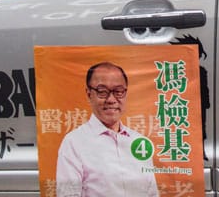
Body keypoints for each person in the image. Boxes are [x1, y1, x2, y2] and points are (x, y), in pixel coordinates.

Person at [55, 62, 159, 197]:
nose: (111, 99)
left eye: (119, 91)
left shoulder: (140, 142)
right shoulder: (74, 143)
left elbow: (152, 193)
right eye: (102, 92)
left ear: (126, 93)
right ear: (88, 94)